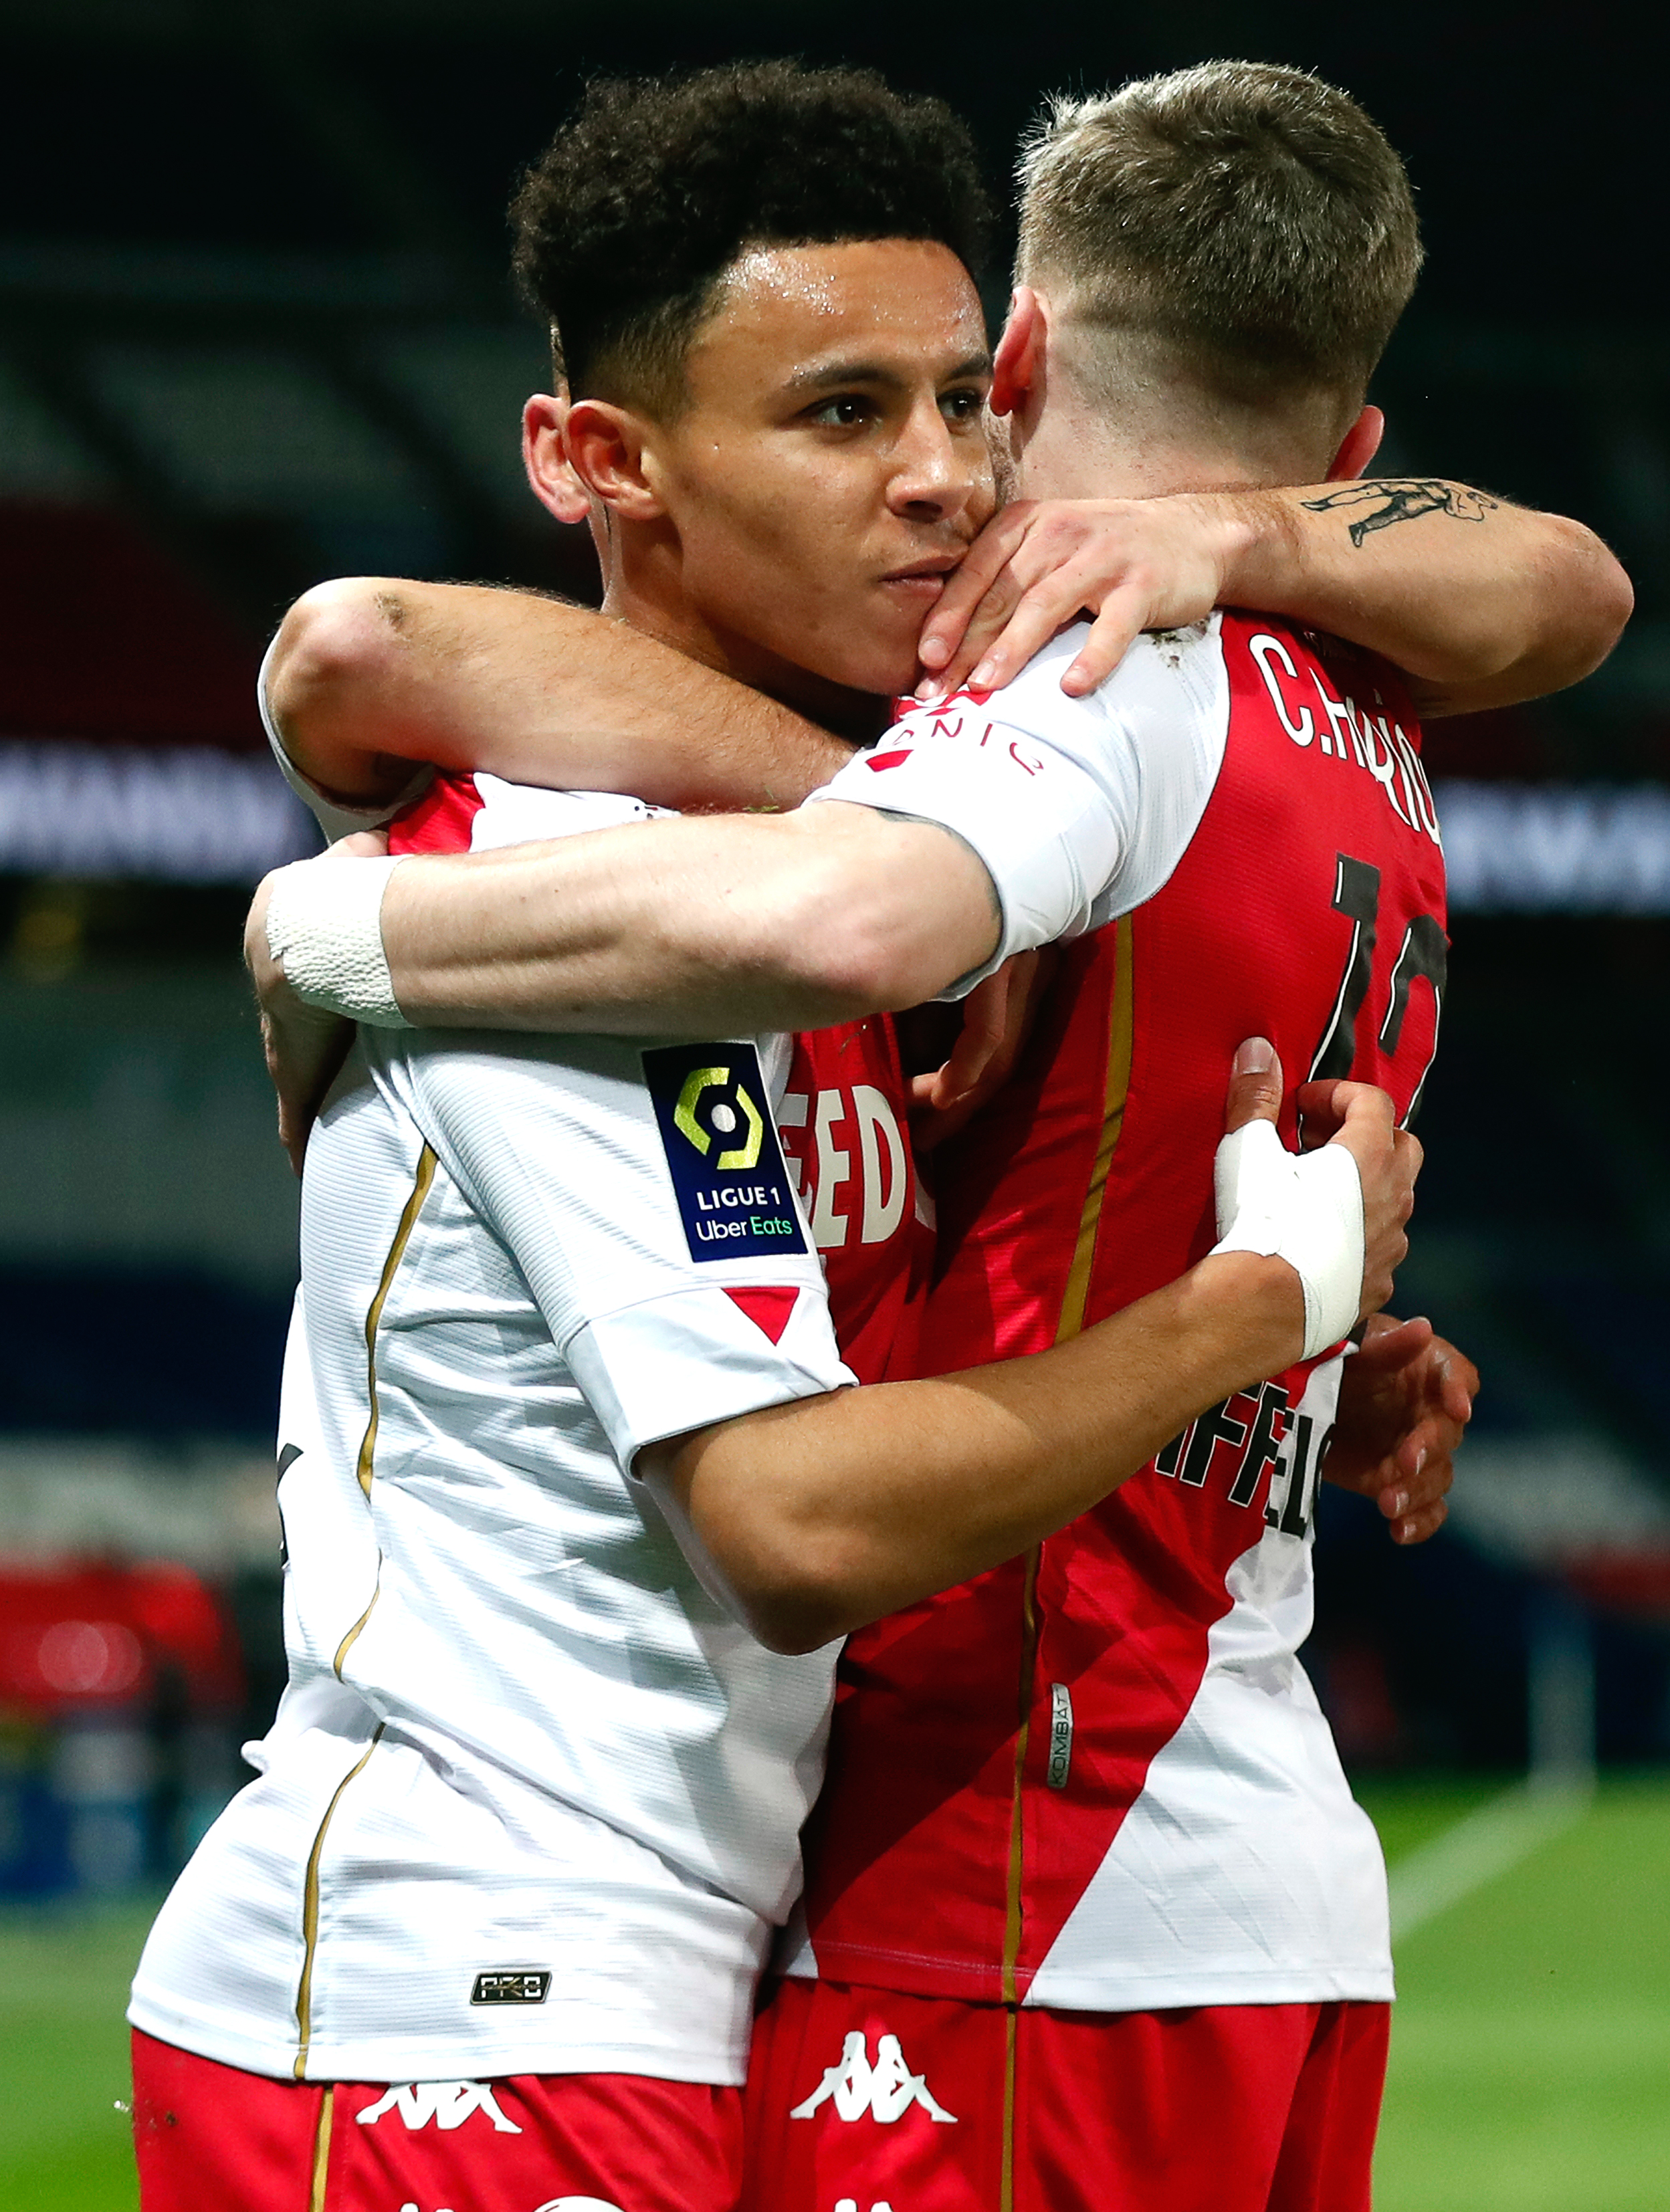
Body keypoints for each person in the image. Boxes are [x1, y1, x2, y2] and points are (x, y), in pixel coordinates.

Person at [137, 61, 1538, 2212]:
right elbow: (788, 1527)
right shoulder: (582, 914)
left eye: (968, 403)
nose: (945, 481)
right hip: (460, 1992)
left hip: (656, 1981)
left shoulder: (861, 870)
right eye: (842, 417)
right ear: (602, 462)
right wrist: (1257, 1297)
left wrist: (1281, 1379)